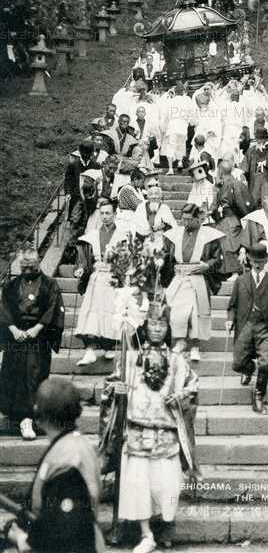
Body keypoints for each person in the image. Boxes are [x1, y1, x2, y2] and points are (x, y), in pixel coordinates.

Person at [114, 301, 198, 553]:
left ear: (168, 327)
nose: (157, 329)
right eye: (153, 324)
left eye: (162, 324)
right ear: (146, 325)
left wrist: (181, 395)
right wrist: (115, 390)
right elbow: (112, 384)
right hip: (138, 432)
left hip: (167, 433)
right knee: (139, 484)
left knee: (167, 484)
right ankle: (146, 533)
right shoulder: (131, 358)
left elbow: (193, 386)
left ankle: (165, 525)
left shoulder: (177, 360)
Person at [4, 377, 104, 553]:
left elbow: (64, 531)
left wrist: (23, 540)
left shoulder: (65, 460)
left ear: (39, 414)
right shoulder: (77, 444)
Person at [0, 248, 65, 440]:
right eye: (23, 265)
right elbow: (3, 309)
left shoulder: (50, 284)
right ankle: (17, 415)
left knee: (34, 372)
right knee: (13, 372)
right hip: (16, 336)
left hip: (39, 337)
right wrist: (13, 329)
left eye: (31, 265)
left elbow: (54, 307)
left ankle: (29, 416)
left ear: (39, 263)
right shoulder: (10, 286)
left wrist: (38, 328)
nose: (27, 268)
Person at [226, 245, 268, 415]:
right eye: (255, 261)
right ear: (250, 261)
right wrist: (230, 320)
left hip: (264, 328)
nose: (258, 265)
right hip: (245, 325)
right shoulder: (241, 281)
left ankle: (259, 395)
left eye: (261, 261)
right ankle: (248, 369)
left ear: (266, 261)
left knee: (266, 363)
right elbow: (232, 306)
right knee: (237, 363)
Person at [162, 203, 224, 362]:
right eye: (183, 219)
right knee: (177, 313)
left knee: (195, 314)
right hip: (179, 277)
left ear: (198, 219)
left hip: (198, 279)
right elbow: (166, 255)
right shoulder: (175, 234)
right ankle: (180, 341)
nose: (186, 223)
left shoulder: (208, 235)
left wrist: (207, 266)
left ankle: (195, 346)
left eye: (189, 219)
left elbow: (216, 258)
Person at [74, 199, 126, 366]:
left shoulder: (123, 235)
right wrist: (81, 268)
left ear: (115, 214)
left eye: (108, 213)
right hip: (97, 278)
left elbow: (128, 260)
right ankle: (89, 350)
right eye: (102, 213)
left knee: (110, 312)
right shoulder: (93, 235)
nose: (105, 217)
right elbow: (85, 258)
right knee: (93, 312)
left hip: (113, 278)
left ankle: (108, 346)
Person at [212, 152, 254, 279]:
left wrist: (244, 216)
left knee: (230, 242)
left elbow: (242, 203)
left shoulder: (235, 183)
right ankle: (224, 272)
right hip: (223, 218)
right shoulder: (222, 186)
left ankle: (235, 272)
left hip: (231, 218)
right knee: (221, 241)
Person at [116, 169, 145, 236]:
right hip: (125, 219)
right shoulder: (127, 189)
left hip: (133, 219)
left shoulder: (138, 190)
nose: (143, 184)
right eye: (142, 181)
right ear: (135, 179)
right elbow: (137, 205)